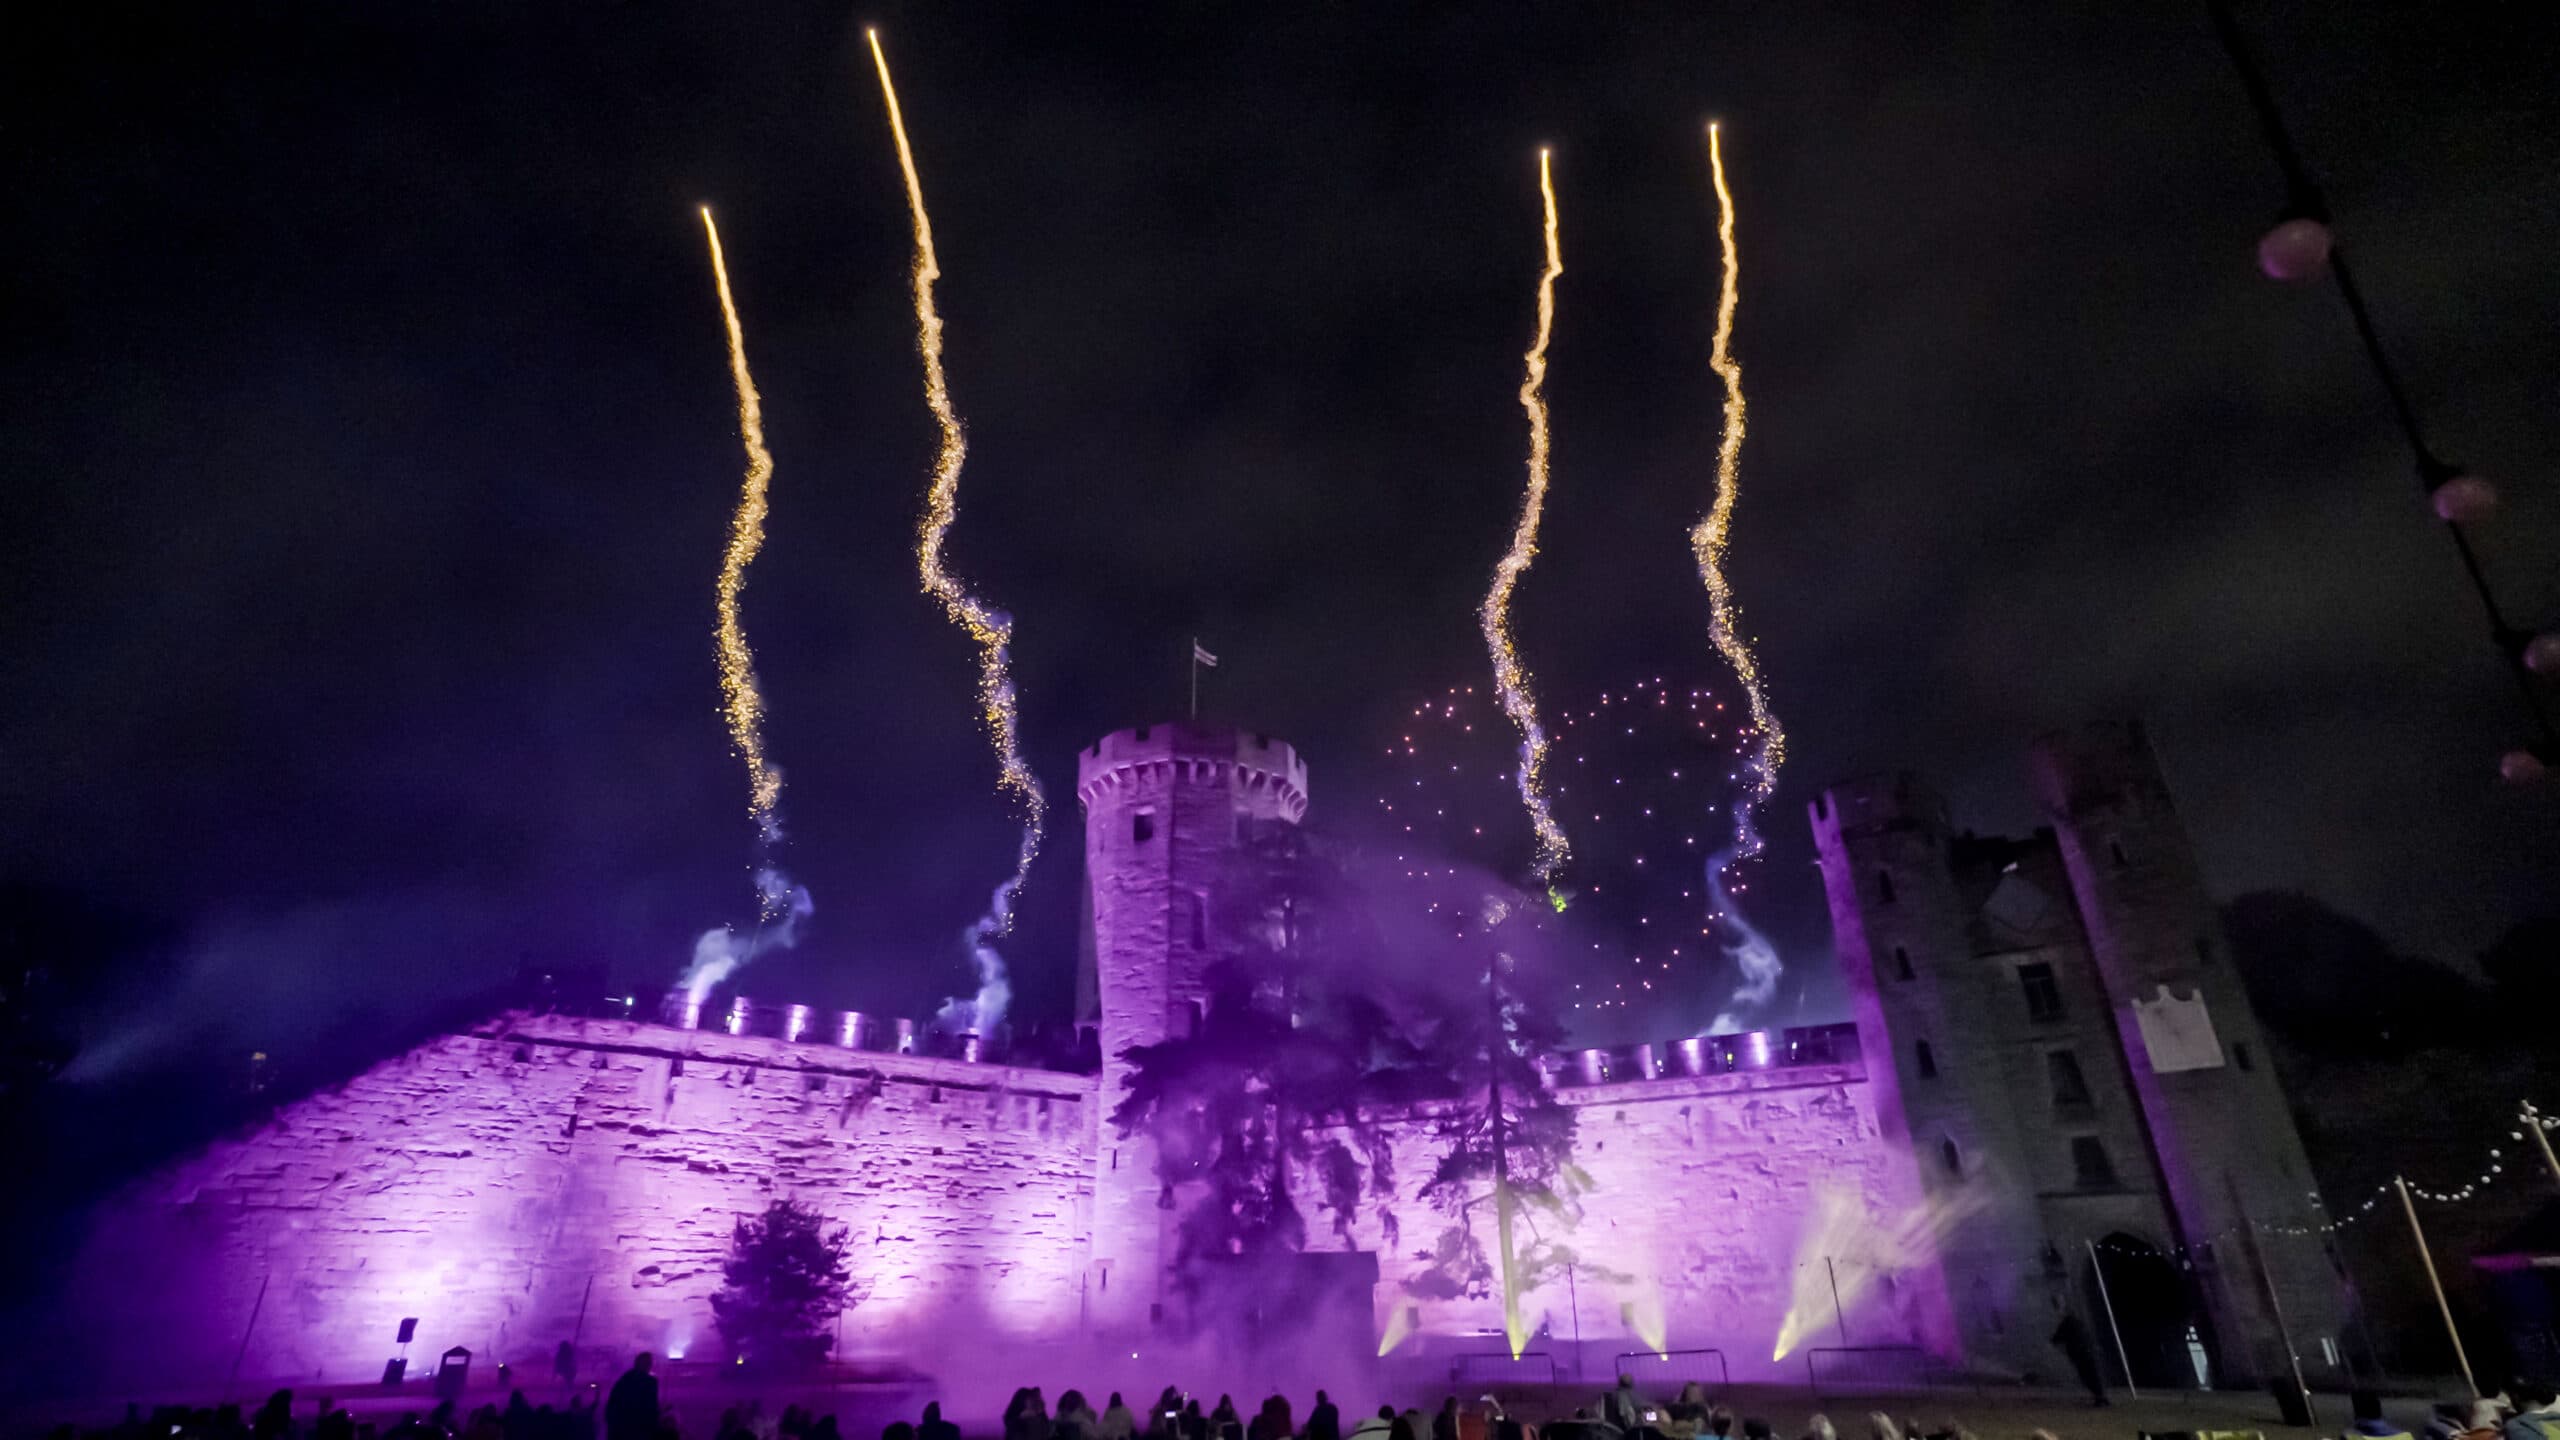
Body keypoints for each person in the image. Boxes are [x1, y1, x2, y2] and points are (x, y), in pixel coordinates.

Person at [2049, 1311, 2105, 1407]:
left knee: (2086, 1376)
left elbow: (2056, 1338)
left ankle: (2099, 1397)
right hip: (2087, 1352)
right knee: (2093, 1375)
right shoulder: (2080, 1324)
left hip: (2079, 1354)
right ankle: (2100, 1395)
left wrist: (2053, 1340)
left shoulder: (2066, 1324)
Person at [604, 1357, 658, 1440]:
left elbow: (612, 1404)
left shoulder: (624, 1379)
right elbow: (650, 1407)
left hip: (620, 1428)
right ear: (648, 1365)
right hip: (639, 1428)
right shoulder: (649, 1382)